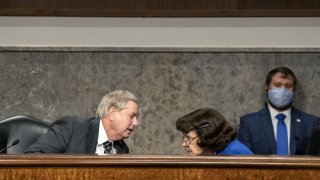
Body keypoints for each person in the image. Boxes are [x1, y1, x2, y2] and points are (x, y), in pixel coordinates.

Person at [25, 90, 139, 154]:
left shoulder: (122, 150)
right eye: (132, 116)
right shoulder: (72, 128)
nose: (135, 123)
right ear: (112, 113)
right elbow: (33, 158)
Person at [237, 67, 320, 155]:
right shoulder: (249, 123)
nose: (283, 90)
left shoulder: (311, 123)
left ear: (294, 90)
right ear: (267, 87)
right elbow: (243, 162)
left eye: (288, 86)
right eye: (277, 85)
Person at [176, 108, 253, 155]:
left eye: (188, 138)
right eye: (184, 138)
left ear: (206, 134)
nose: (184, 144)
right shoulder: (218, 152)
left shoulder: (234, 152)